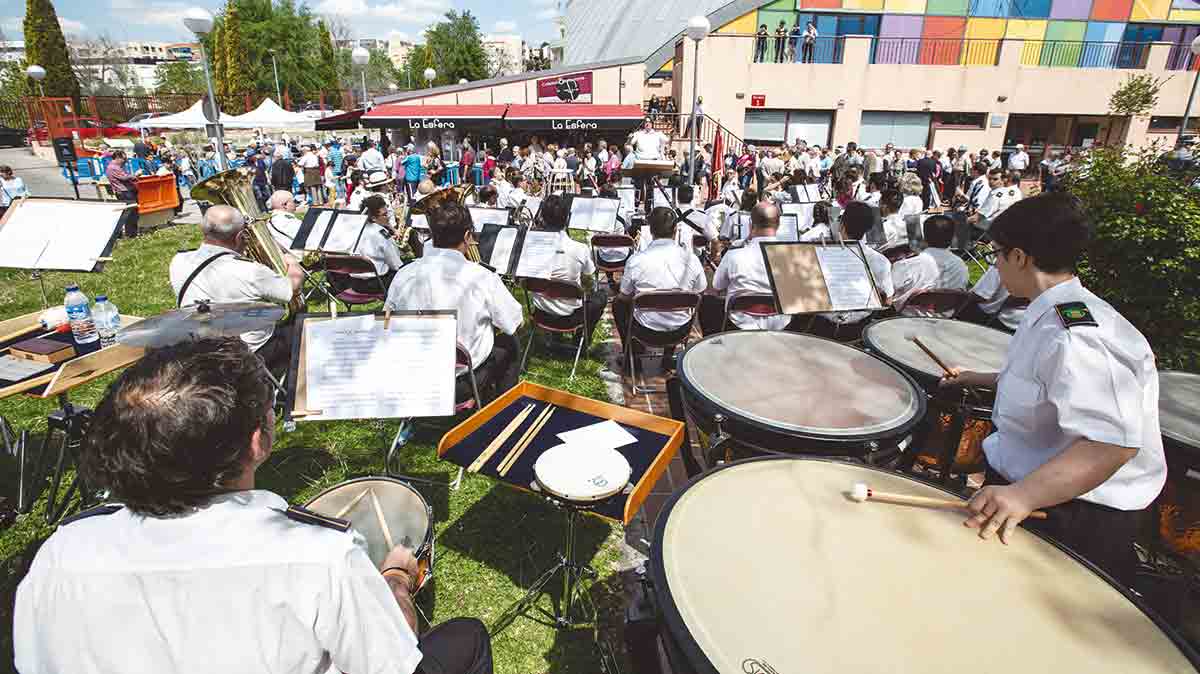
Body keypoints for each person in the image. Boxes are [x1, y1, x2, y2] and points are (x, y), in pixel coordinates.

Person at [15, 337, 493, 674]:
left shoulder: (61, 552)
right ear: (257, 440)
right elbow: (393, 662)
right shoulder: (319, 556)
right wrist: (395, 581)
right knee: (467, 637)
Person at [939, 193, 1165, 588]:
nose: (994, 263)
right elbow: (1046, 384)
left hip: (1070, 511)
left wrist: (1024, 496)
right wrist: (976, 377)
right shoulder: (1050, 310)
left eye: (997, 253)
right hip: (1036, 493)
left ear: (1021, 256)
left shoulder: (1079, 336)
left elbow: (1115, 442)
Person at [386, 201, 523, 397]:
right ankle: (502, 408)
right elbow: (514, 322)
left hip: (415, 375)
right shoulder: (482, 277)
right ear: (467, 236)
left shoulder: (403, 274)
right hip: (460, 385)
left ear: (432, 237)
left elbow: (387, 323)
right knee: (511, 343)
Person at [169, 205, 303, 372]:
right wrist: (293, 263)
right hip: (250, 354)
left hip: (201, 349)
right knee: (303, 327)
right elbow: (292, 288)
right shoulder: (251, 272)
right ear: (240, 236)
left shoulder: (179, 260)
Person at [614, 206, 707, 368]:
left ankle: (632, 357)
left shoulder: (636, 260)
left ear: (650, 231)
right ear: (676, 230)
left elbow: (624, 296)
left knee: (618, 304)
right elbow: (701, 290)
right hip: (680, 329)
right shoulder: (691, 259)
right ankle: (668, 356)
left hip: (645, 330)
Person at [807, 201, 893, 340]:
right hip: (861, 331)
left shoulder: (819, 255)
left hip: (820, 329)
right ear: (869, 229)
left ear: (842, 225)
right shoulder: (882, 262)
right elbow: (887, 301)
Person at [702, 202, 792, 335]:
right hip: (781, 324)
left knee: (708, 301)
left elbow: (717, 285)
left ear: (750, 225)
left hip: (739, 325)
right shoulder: (794, 257)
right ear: (778, 225)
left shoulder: (734, 255)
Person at [529, 195, 606, 346]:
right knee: (601, 296)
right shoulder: (579, 249)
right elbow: (589, 274)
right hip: (569, 315)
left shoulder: (530, 246)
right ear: (567, 218)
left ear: (542, 217)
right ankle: (581, 342)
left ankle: (554, 336)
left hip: (541, 312)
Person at [328, 194, 404, 292]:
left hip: (356, 284)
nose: (388, 217)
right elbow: (396, 265)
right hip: (378, 284)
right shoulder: (381, 234)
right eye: (384, 215)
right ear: (373, 218)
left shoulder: (353, 230)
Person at [891, 214, 968, 307]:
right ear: (952, 238)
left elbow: (888, 292)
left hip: (904, 318)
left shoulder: (907, 264)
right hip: (945, 318)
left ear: (925, 238)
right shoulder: (961, 266)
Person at [958, 265, 1026, 332]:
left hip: (994, 319)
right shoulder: (1033, 272)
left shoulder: (1003, 263)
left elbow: (981, 296)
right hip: (1020, 325)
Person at [267, 190, 303, 254]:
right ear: (285, 205)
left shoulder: (276, 219)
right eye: (293, 201)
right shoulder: (285, 221)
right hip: (305, 258)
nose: (296, 204)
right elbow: (309, 237)